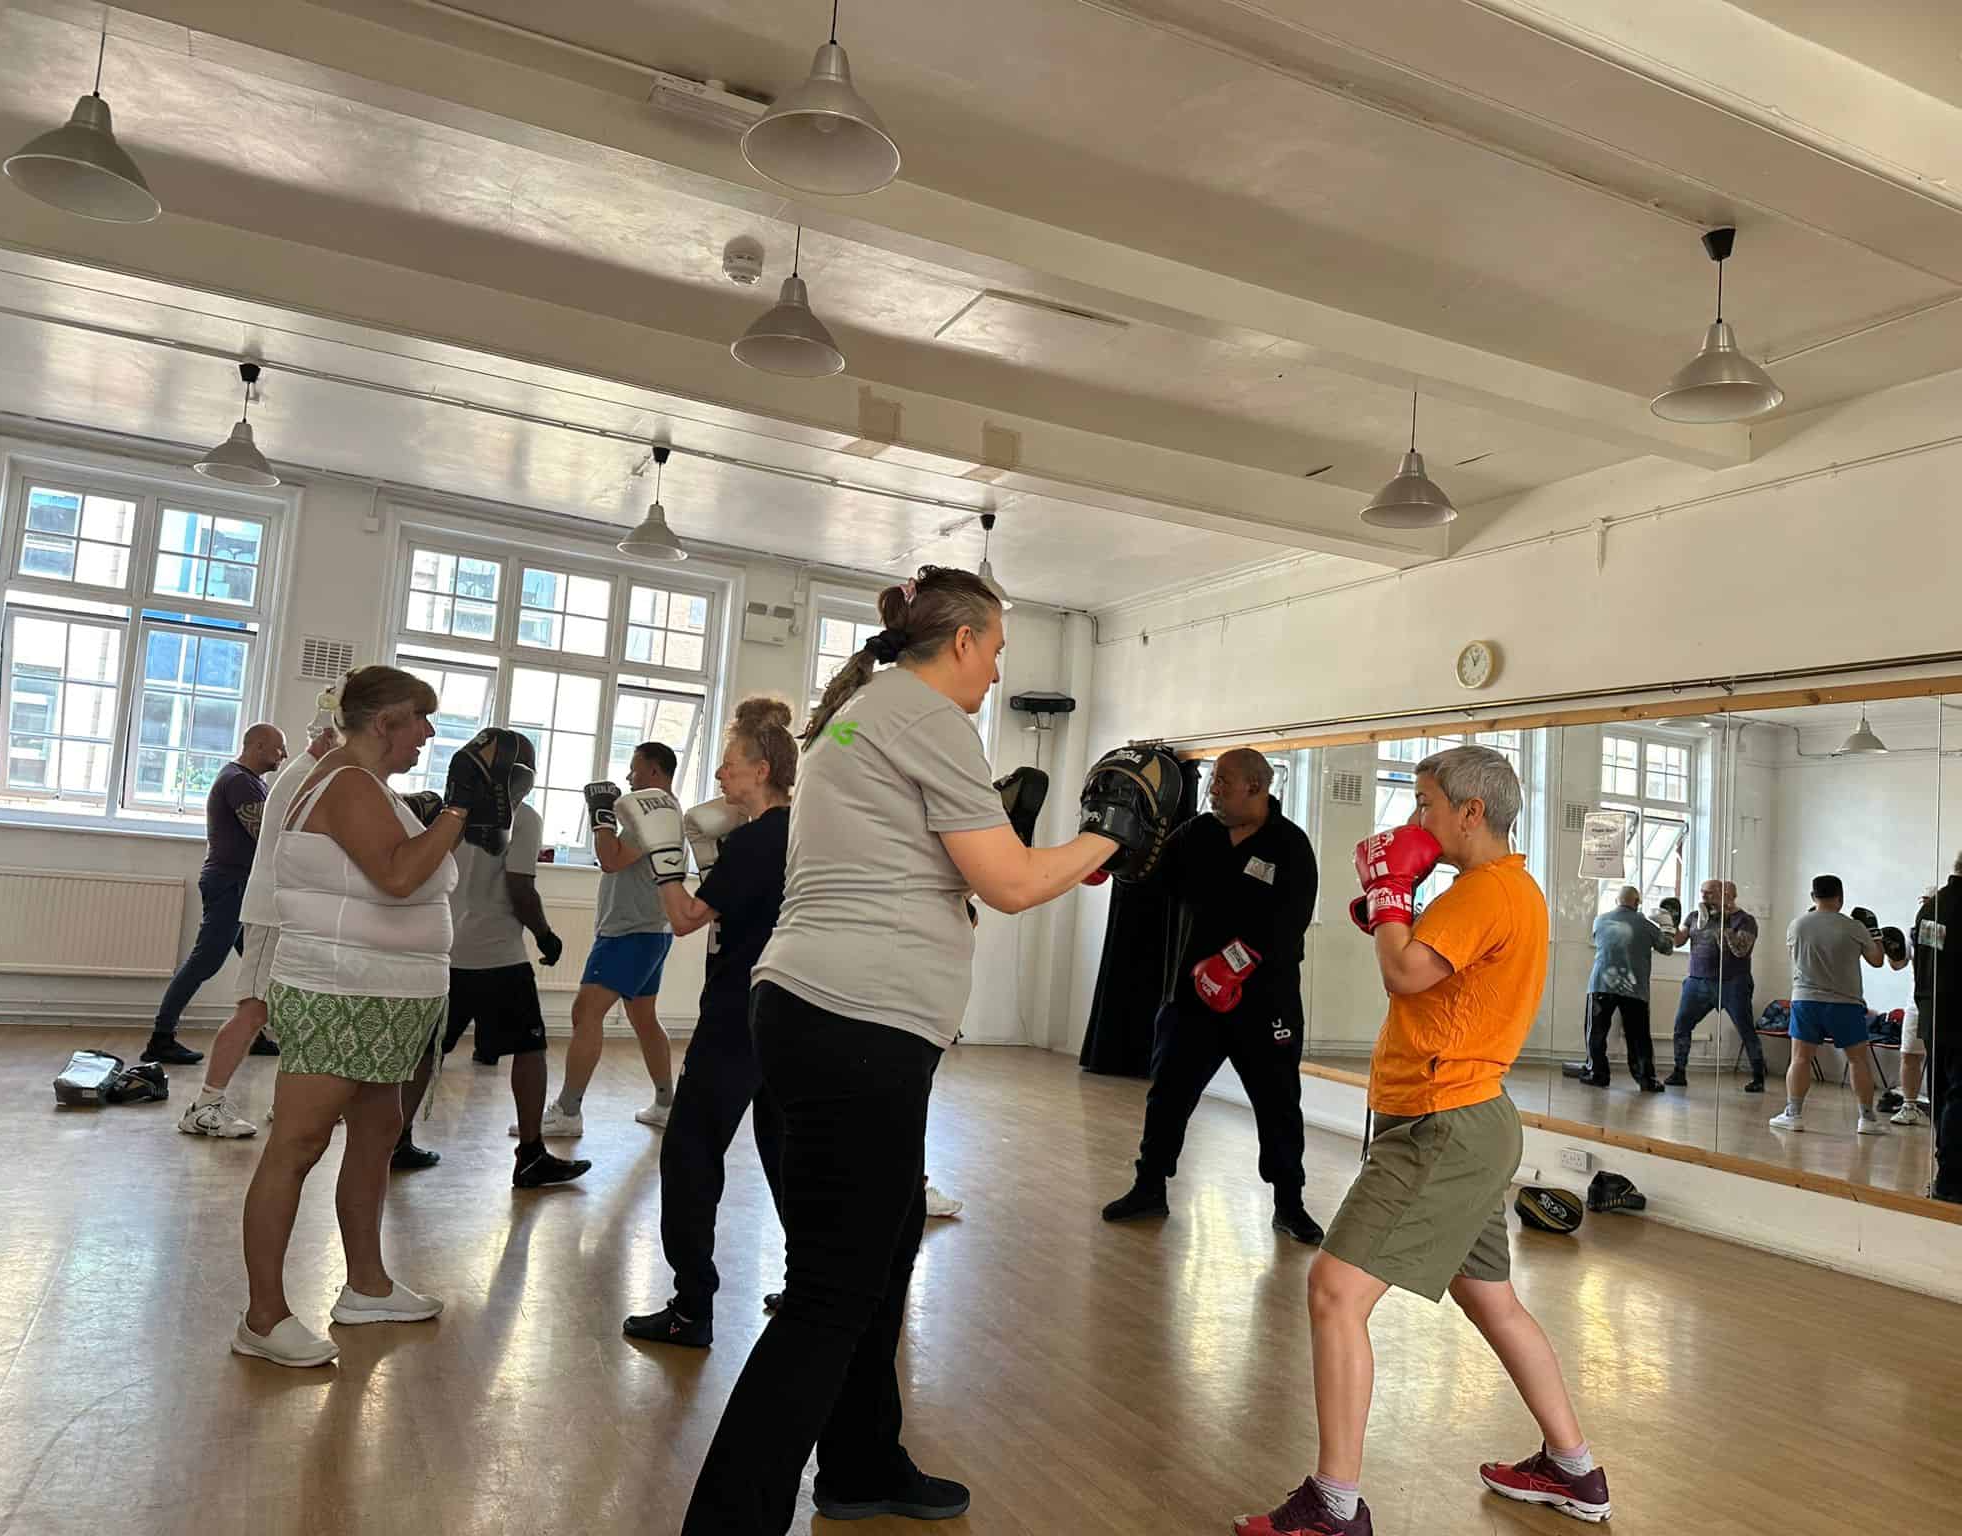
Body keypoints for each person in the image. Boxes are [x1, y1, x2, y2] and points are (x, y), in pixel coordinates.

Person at [677, 566, 1130, 1534]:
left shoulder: (860, 712)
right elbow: (1008, 884)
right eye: (997, 650)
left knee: (877, 1256)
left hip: (824, 1010)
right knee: (830, 1290)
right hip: (857, 1021)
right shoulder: (925, 719)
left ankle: (860, 1462)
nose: (997, 670)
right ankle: (726, 1521)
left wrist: (1034, 836)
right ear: (961, 641)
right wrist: (1105, 840)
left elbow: (935, 863)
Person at [1236, 745, 1609, 1536]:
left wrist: (1391, 893)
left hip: (1442, 1127)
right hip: (1468, 1119)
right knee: (1495, 1303)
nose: (1416, 820)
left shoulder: (1482, 891)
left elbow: (1403, 974)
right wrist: (1394, 902)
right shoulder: (1507, 888)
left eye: (1426, 804)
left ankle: (1334, 1506)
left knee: (1335, 1293)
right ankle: (1575, 1471)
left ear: (1472, 813)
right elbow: (1428, 974)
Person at [232, 668, 513, 1367]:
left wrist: (454, 816)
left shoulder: (365, 784)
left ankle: (366, 1286)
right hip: (338, 993)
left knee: (379, 1129)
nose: (428, 733)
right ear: (385, 721)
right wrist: (456, 810)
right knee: (297, 1144)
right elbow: (398, 876)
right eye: (421, 718)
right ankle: (262, 1318)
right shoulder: (348, 780)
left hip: (381, 996)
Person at [622, 697, 795, 1348]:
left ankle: (691, 1308)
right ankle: (808, 1284)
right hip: (786, 1015)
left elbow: (687, 919)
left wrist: (665, 858)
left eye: (730, 766)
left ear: (762, 767)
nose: (721, 777)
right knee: (783, 1155)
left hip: (735, 1017)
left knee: (691, 1155)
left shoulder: (756, 840)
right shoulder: (794, 834)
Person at [1099, 746, 1324, 1244]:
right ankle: (1149, 1187)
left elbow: (1290, 923)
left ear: (1256, 786)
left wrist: (1233, 965)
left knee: (1278, 1104)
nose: (1214, 788)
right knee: (1167, 1096)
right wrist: (1112, 857)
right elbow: (1150, 879)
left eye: (1224, 780)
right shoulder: (1196, 834)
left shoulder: (1289, 845)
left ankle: (1290, 1204)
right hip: (1191, 999)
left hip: (1266, 1004)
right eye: (1213, 779)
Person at [377, 729, 588, 1188]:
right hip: (497, 956)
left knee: (425, 1054)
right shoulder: (524, 818)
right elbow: (520, 887)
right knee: (530, 1050)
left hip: (446, 951)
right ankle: (531, 1154)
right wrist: (545, 934)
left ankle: (395, 1142)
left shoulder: (449, 817)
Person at [178, 716, 338, 1137]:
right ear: (328, 736)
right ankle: (205, 1105)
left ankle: (288, 1103)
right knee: (253, 1009)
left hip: (287, 912)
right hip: (271, 912)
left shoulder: (312, 775)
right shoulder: (301, 776)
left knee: (288, 1011)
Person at [540, 741, 680, 1135]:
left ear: (654, 771)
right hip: (648, 930)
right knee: (645, 1018)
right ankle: (666, 1103)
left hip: (631, 933)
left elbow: (611, 859)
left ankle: (568, 1111)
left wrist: (600, 818)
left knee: (586, 1013)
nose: (628, 777)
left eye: (634, 770)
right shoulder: (663, 810)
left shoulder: (649, 812)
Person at [144, 723, 288, 1065]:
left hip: (239, 884)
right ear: (258, 746)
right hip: (230, 884)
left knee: (258, 963)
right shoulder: (239, 781)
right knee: (205, 961)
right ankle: (160, 1039)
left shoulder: (251, 782)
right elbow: (265, 835)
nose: (284, 754)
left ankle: (258, 1035)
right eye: (279, 747)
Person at [1772, 876, 1888, 1136]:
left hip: (1806, 1000)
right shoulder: (1854, 927)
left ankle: (1794, 1114)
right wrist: (1874, 932)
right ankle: (1867, 1120)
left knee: (1801, 1058)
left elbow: (1795, 957)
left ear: (1813, 896)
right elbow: (1878, 960)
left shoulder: (1797, 925)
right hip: (1845, 1003)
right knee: (1858, 1060)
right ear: (1841, 897)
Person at [1668, 878, 1766, 1092]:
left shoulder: (1745, 920)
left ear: (1727, 896)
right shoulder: (1694, 917)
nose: (1704, 896)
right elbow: (1678, 941)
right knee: (1682, 1025)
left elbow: (1740, 950)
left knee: (1746, 1029)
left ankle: (1758, 1077)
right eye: (1703, 892)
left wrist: (1724, 921)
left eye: (1711, 893)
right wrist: (1669, 923)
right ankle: (1679, 1071)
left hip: (1733, 983)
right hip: (1697, 981)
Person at [1580, 885, 1674, 1091]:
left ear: (1616, 901)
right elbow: (1667, 948)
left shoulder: (1600, 920)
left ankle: (1597, 1074)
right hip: (1634, 987)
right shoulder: (1647, 925)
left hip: (1602, 984)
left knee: (1595, 1032)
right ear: (1637, 902)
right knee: (1638, 1036)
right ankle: (1646, 1080)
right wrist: (1666, 925)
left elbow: (1599, 941)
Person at [1926, 856, 1962, 1203]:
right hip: (1956, 1017)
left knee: (1942, 1093)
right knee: (1957, 1097)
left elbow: (1925, 967)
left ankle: (1946, 1171)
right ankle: (1951, 1179)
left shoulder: (1932, 907)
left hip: (1935, 1016)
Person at [1892, 894, 1936, 1125]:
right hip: (1916, 1003)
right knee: (1909, 1054)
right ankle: (1909, 1105)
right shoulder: (1912, 933)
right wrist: (1893, 948)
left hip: (1944, 1002)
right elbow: (1898, 964)